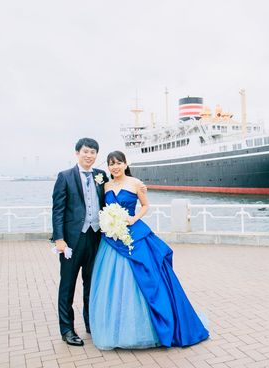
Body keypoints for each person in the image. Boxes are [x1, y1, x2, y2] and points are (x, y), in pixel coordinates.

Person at [89, 150, 209, 350]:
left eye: (118, 163)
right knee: (113, 282)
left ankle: (149, 327)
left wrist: (133, 219)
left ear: (125, 164)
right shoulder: (105, 186)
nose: (115, 167)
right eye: (111, 164)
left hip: (134, 233)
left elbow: (145, 205)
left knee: (147, 277)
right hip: (112, 237)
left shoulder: (136, 183)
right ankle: (116, 326)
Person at [52, 138, 108, 346]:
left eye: (93, 152)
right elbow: (58, 210)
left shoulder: (101, 176)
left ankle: (91, 323)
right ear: (77, 153)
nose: (89, 155)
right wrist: (59, 239)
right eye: (85, 151)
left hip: (95, 237)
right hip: (71, 241)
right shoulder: (65, 176)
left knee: (92, 284)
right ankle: (67, 329)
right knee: (67, 285)